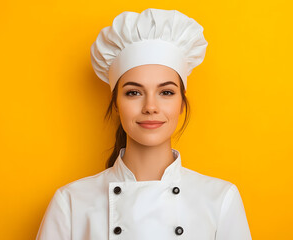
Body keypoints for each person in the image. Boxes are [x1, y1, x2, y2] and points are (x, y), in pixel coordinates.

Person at [36, 8, 252, 240]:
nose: (150, 106)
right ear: (116, 103)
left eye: (166, 92)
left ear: (181, 103)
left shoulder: (220, 199)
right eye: (134, 93)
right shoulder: (71, 203)